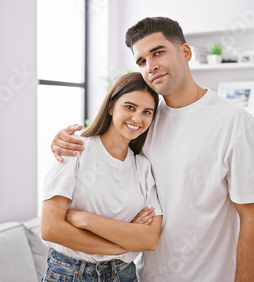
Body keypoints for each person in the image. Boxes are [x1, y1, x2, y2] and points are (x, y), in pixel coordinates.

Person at [50, 17, 254, 281]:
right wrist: (60, 140)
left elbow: (253, 218)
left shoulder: (234, 122)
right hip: (147, 275)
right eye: (141, 61)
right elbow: (103, 146)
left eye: (158, 53)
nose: (150, 66)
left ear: (186, 52)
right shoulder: (144, 121)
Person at [40, 72, 163, 282]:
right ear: (111, 106)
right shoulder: (77, 149)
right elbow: (51, 229)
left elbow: (149, 239)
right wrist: (123, 244)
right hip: (70, 273)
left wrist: (86, 219)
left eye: (147, 112)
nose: (137, 118)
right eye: (129, 107)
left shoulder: (142, 167)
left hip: (123, 274)